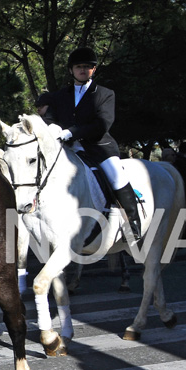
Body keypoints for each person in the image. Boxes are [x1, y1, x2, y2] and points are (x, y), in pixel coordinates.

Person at [43, 46, 142, 241]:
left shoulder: (105, 94)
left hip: (98, 147)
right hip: (68, 148)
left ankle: (133, 222)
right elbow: (49, 117)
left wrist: (72, 132)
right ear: (71, 70)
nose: (82, 70)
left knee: (116, 175)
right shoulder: (59, 96)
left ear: (93, 70)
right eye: (79, 66)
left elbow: (103, 123)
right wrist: (53, 127)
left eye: (87, 67)